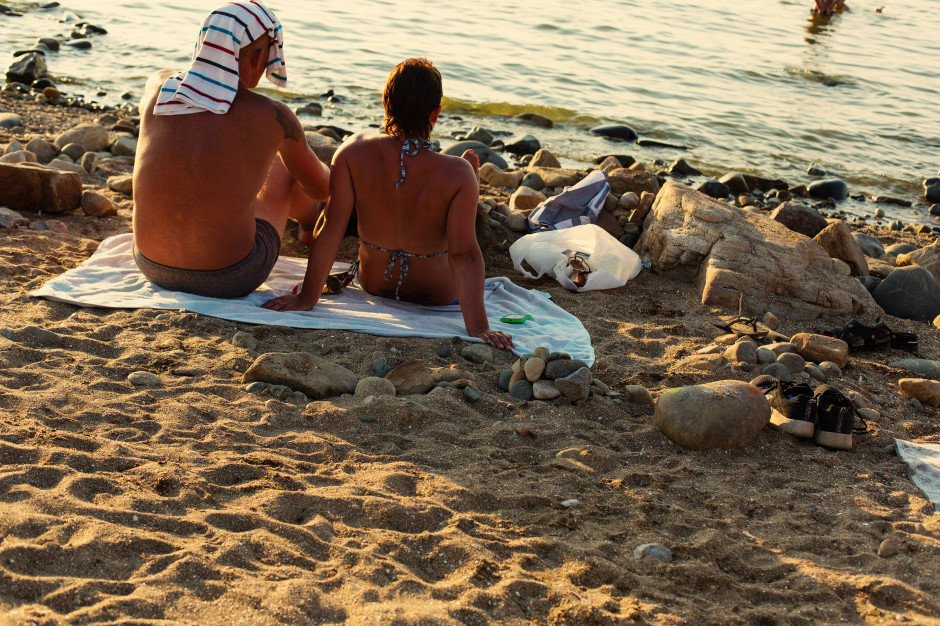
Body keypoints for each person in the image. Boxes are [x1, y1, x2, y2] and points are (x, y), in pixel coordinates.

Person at [262, 58, 513, 350]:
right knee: (461, 210)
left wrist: (307, 297)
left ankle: (468, 188)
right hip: (438, 295)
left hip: (374, 285)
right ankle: (471, 187)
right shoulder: (456, 172)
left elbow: (330, 227)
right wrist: (479, 327)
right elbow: (464, 256)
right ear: (436, 114)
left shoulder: (351, 152)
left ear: (385, 105)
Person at [132, 1, 329, 299]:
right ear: (261, 57)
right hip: (231, 276)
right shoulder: (273, 116)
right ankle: (307, 227)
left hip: (151, 264)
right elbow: (321, 188)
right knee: (287, 167)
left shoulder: (157, 87)